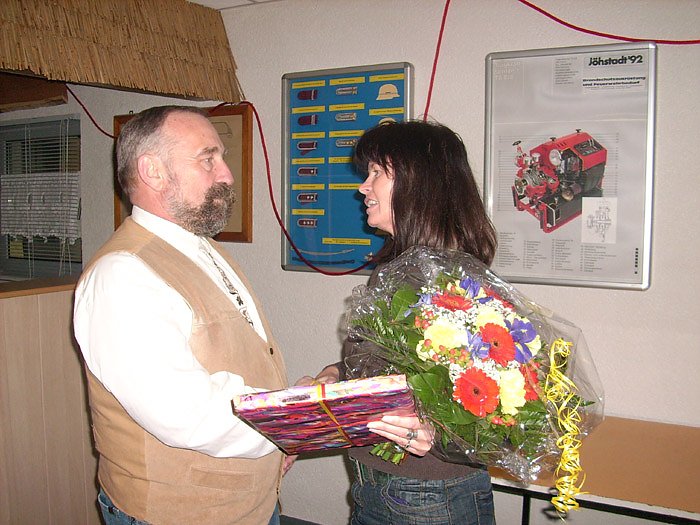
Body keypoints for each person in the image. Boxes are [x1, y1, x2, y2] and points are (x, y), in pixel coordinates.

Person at [73, 105, 289, 525]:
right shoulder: (121, 275)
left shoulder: (200, 246)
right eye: (208, 159)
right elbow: (186, 414)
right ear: (153, 172)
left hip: (249, 504)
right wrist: (295, 425)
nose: (227, 175)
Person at [311, 120, 498, 525]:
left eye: (377, 173)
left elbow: (496, 396)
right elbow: (400, 368)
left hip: (427, 496)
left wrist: (439, 434)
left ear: (418, 184)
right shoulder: (398, 271)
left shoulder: (454, 280)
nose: (363, 187)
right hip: (380, 484)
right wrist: (337, 372)